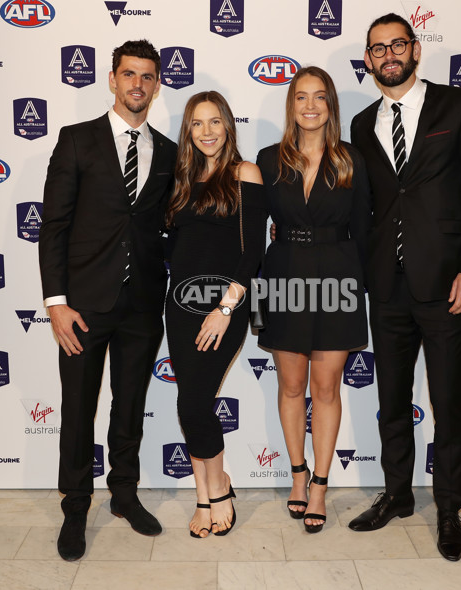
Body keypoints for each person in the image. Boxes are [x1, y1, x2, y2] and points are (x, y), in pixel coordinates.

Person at [348, 14, 461, 561]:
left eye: (397, 45)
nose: (388, 54)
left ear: (415, 49)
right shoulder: (363, 125)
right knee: (391, 400)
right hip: (386, 287)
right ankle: (396, 494)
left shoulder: (458, 106)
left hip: (447, 285)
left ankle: (449, 509)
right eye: (377, 48)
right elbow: (371, 208)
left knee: (446, 402)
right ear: (368, 60)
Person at [39, 40, 177, 561]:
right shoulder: (77, 141)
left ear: (157, 84)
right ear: (113, 80)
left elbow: (168, 226)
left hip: (142, 305)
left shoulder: (166, 151)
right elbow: (53, 227)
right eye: (129, 74)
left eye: (147, 76)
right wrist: (56, 301)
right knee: (77, 408)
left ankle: (124, 493)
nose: (138, 84)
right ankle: (76, 507)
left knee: (131, 404)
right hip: (82, 307)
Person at [257, 67, 371, 534]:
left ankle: (321, 484)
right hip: (282, 275)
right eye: (301, 97)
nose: (309, 105)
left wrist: (365, 288)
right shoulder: (268, 159)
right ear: (291, 105)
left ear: (330, 106)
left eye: (319, 97)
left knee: (325, 388)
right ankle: (297, 475)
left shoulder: (351, 160)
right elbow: (248, 225)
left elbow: (366, 228)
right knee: (289, 386)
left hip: (339, 276)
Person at [165, 91, 266, 538]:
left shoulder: (245, 173)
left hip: (224, 306)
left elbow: (253, 250)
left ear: (228, 125)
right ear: (188, 131)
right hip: (179, 306)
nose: (206, 132)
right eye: (197, 124)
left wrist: (226, 307)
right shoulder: (181, 180)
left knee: (194, 401)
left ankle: (220, 488)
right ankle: (205, 493)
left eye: (214, 122)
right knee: (190, 402)